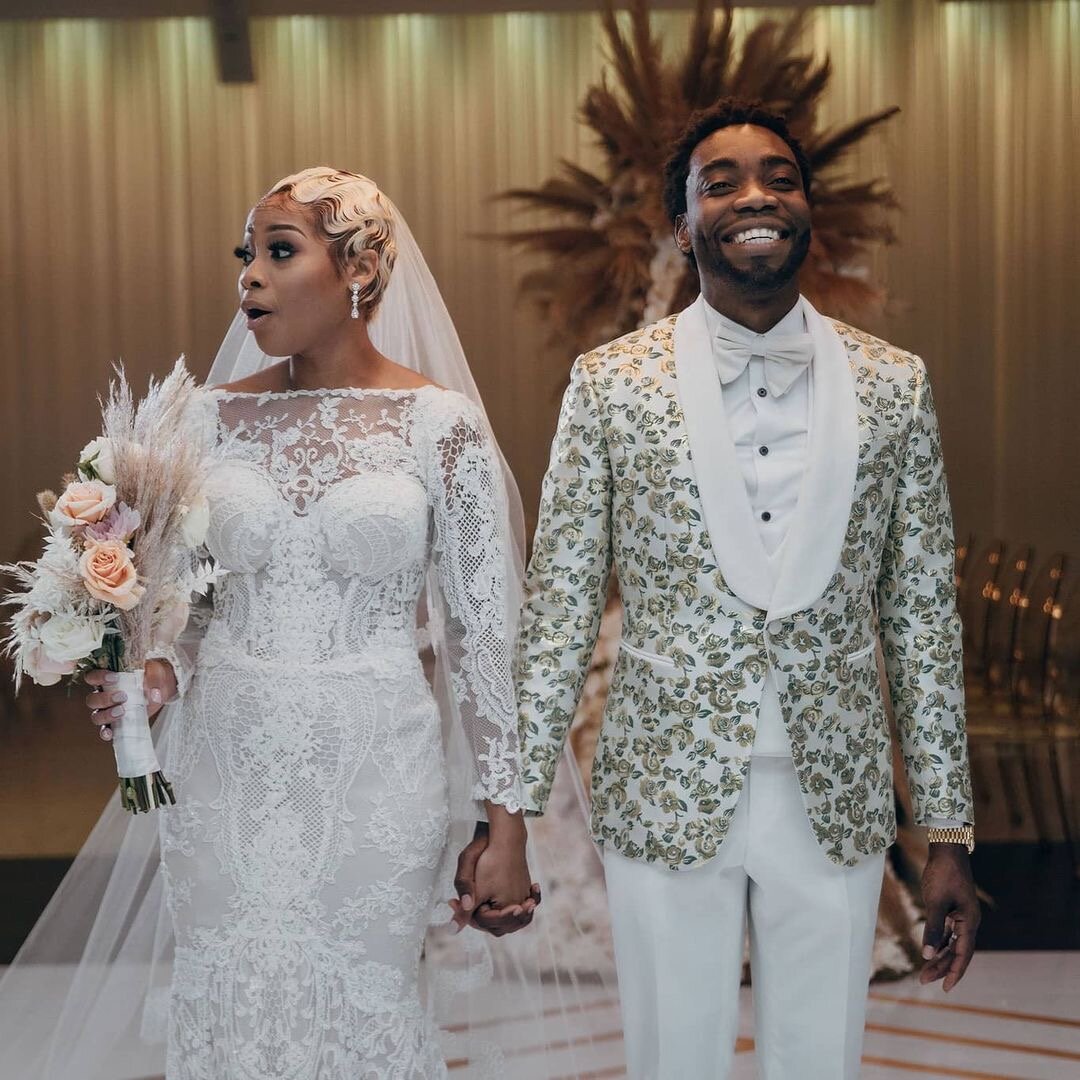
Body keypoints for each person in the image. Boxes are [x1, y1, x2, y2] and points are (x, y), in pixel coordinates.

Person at [514, 99, 979, 1079]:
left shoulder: (895, 383)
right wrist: (510, 814)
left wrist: (947, 833)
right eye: (719, 182)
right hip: (663, 785)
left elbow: (923, 622)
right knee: (672, 1059)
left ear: (808, 210)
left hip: (836, 793)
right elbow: (558, 607)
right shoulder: (611, 383)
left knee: (820, 1060)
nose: (755, 196)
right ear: (683, 226)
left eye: (779, 177)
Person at [70, 166, 537, 1078]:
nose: (250, 276)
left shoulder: (439, 426)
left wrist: (506, 822)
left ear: (359, 268)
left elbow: (482, 637)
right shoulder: (203, 421)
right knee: (229, 1004)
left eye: (280, 252)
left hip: (376, 768)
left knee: (366, 1005)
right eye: (247, 254)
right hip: (221, 763)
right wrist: (156, 671)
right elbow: (183, 609)